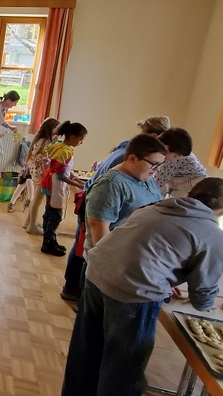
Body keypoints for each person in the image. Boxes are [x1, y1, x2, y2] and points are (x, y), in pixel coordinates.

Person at [60, 178, 223, 396]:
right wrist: (206, 302)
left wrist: (166, 276)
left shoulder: (155, 207)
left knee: (89, 344)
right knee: (125, 362)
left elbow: (142, 248)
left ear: (191, 194)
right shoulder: (214, 235)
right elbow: (203, 292)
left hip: (97, 274)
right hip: (133, 292)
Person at [63, 116, 171, 296]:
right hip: (114, 269)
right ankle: (72, 288)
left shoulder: (144, 175)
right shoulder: (112, 183)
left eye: (161, 165)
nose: (157, 170)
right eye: (154, 164)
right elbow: (100, 232)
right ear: (133, 158)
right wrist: (115, 270)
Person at [40, 122, 87, 257]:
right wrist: (77, 184)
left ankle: (50, 239)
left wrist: (75, 178)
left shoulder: (62, 147)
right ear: (72, 137)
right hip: (54, 185)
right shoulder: (63, 151)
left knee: (50, 213)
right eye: (80, 139)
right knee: (55, 215)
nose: (81, 142)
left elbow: (65, 170)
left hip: (51, 183)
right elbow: (60, 175)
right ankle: (48, 241)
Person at [13, 117, 60, 228]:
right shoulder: (46, 142)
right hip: (41, 174)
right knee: (37, 201)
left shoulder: (41, 140)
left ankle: (28, 222)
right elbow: (44, 160)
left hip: (36, 172)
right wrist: (47, 172)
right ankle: (32, 225)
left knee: (35, 199)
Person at [156, 128, 207, 197]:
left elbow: (157, 182)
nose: (173, 158)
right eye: (175, 156)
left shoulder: (177, 160)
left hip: (197, 186)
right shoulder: (176, 152)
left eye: (175, 156)